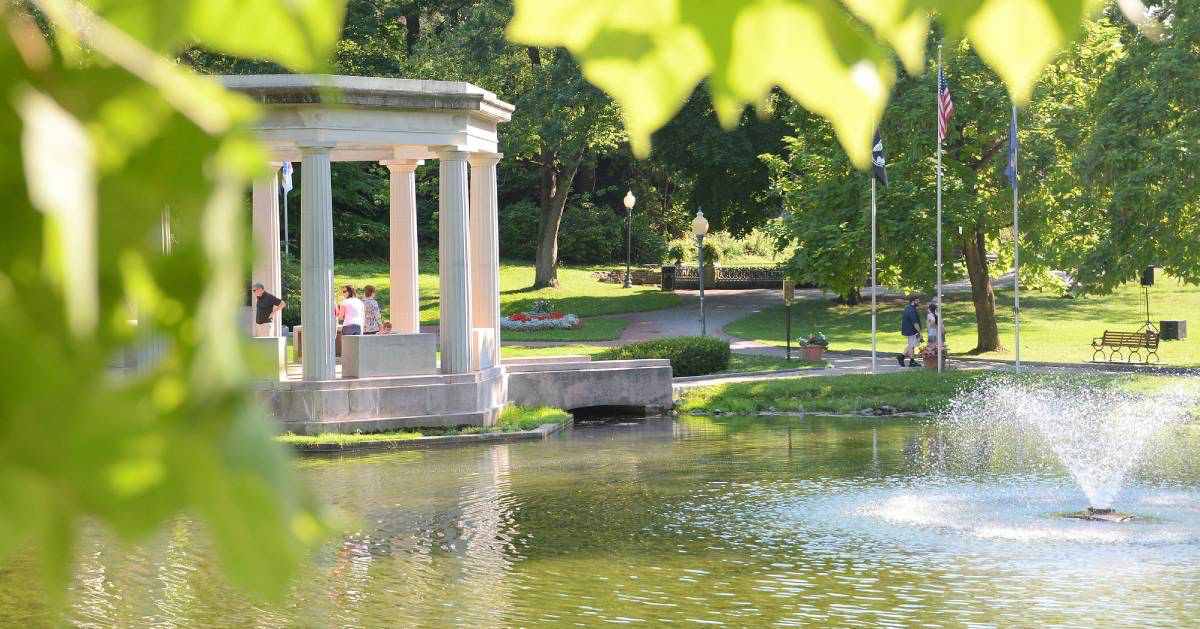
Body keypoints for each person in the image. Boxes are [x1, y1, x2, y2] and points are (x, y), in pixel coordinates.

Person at [897, 295, 922, 367]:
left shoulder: (908, 308)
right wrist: (919, 332)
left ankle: (906, 359)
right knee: (911, 345)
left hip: (908, 330)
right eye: (917, 301)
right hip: (912, 331)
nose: (918, 302)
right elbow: (915, 323)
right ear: (913, 302)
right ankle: (905, 358)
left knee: (911, 345)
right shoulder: (912, 310)